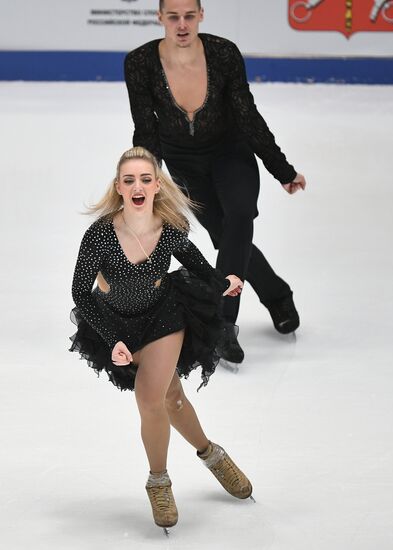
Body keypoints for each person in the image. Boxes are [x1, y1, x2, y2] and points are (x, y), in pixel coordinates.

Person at [69, 146, 253, 534]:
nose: (138, 186)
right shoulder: (100, 235)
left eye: (146, 179)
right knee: (172, 397)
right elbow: (81, 293)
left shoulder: (171, 231)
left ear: (156, 186)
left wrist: (225, 283)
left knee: (149, 397)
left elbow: (200, 266)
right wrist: (112, 337)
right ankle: (212, 454)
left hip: (165, 316)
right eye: (129, 180)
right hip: (115, 323)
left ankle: (159, 482)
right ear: (119, 187)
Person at [124, 0, 307, 364]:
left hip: (231, 152)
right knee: (226, 237)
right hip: (184, 162)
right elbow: (146, 129)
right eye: (173, 16)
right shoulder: (140, 63)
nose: (181, 24)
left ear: (201, 16)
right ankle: (276, 293)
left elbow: (247, 114)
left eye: (189, 16)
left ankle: (223, 323)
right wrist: (143, 184)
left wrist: (281, 169)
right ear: (159, 17)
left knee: (240, 217)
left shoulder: (223, 53)